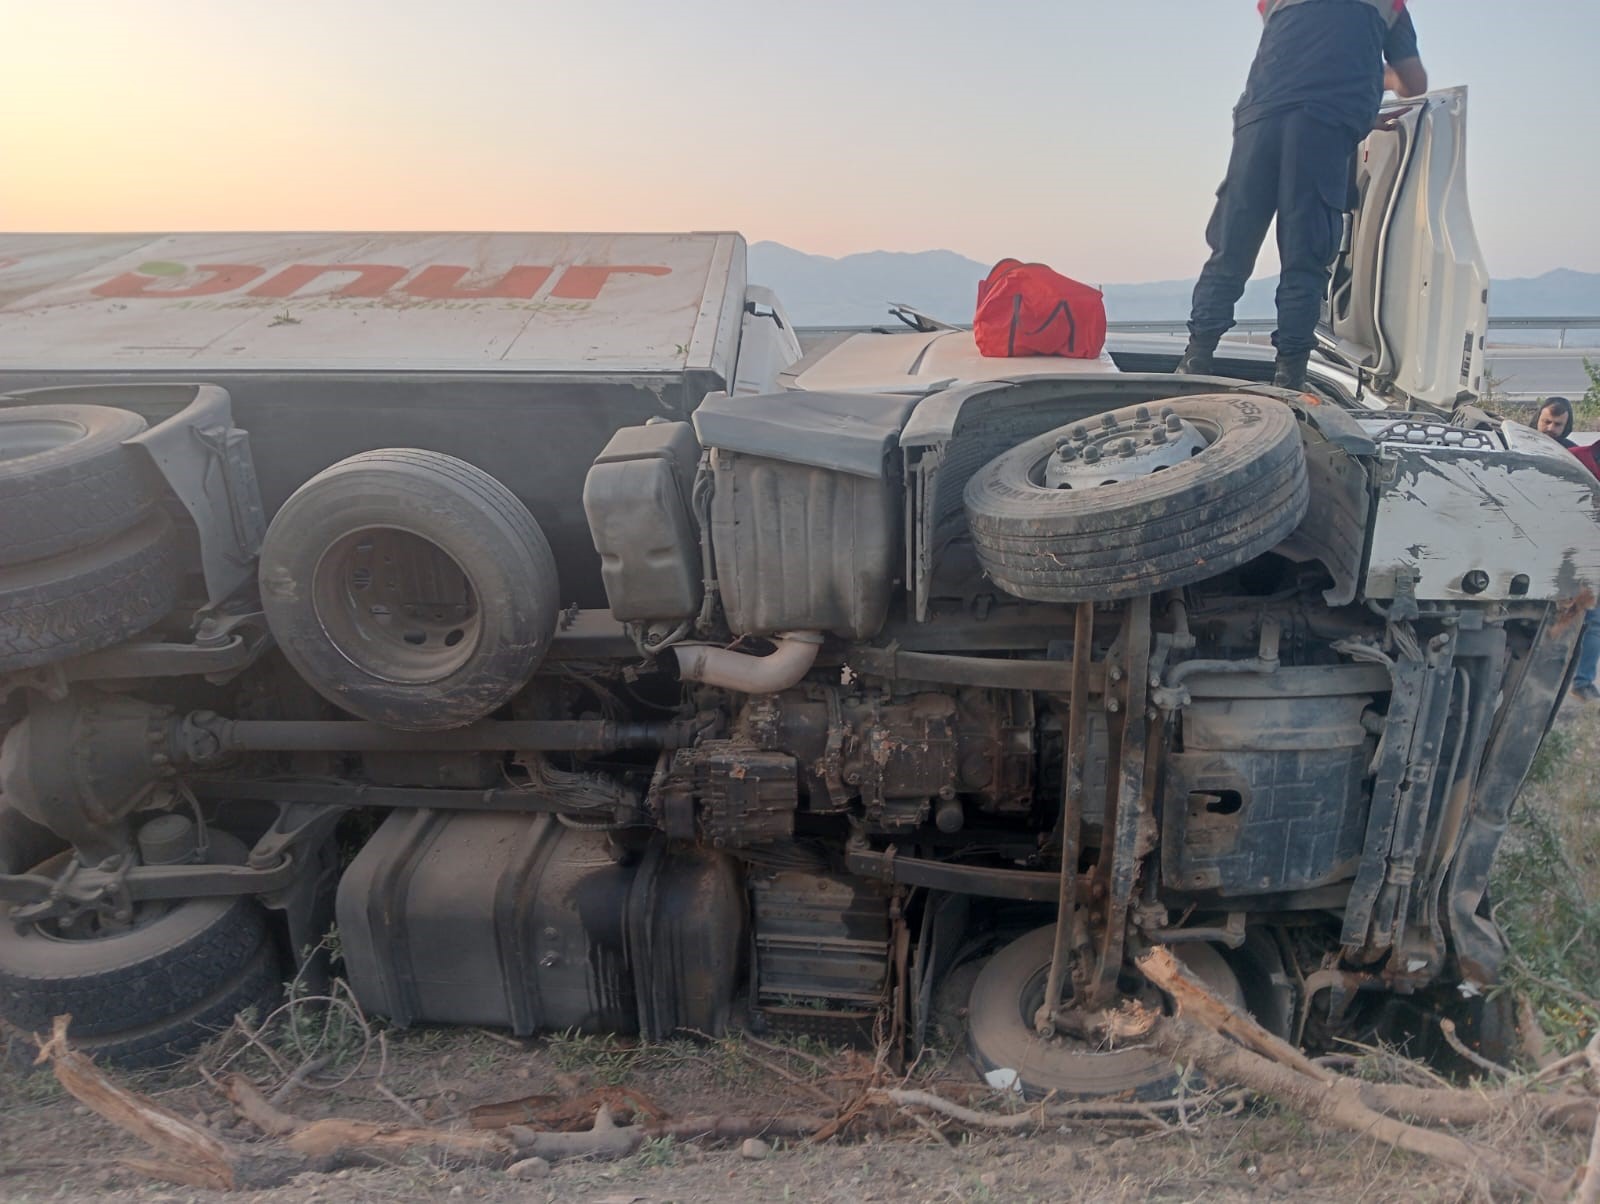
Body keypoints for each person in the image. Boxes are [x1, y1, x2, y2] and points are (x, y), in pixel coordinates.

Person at [1176, 0, 1428, 390]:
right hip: (1322, 123)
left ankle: (1195, 359)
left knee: (1231, 247)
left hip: (1259, 119)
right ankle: (1289, 377)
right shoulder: (1387, 4)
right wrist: (1377, 83)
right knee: (1305, 257)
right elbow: (1414, 83)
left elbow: (1298, 54)